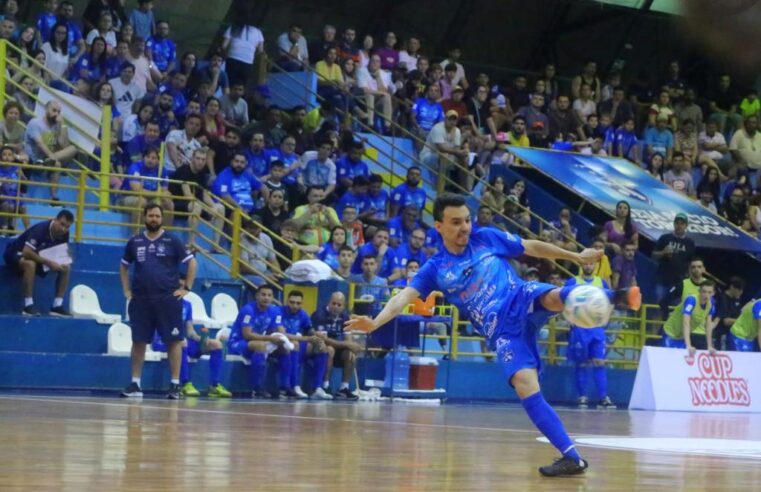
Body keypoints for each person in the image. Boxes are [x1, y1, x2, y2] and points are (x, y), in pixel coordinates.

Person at [346, 193, 642, 477]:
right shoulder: (435, 269)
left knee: (553, 296)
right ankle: (571, 458)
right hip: (500, 331)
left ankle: (616, 295)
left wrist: (575, 256)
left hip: (518, 297)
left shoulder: (486, 237)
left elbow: (531, 247)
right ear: (439, 226)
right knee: (526, 386)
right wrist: (376, 321)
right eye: (456, 222)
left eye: (466, 220)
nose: (464, 227)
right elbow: (403, 297)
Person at [119, 204, 197, 399]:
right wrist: (126, 290)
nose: (154, 218)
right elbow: (123, 267)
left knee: (174, 341)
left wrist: (186, 288)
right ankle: (135, 384)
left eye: (157, 216)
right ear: (144, 217)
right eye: (151, 215)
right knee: (138, 341)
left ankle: (175, 385)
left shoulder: (172, 240)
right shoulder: (135, 241)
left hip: (167, 300)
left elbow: (192, 263)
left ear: (162, 218)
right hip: (141, 301)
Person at [151, 296, 232, 397]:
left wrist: (202, 339)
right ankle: (185, 384)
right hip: (162, 341)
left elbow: (190, 330)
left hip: (181, 341)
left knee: (216, 345)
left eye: (182, 286)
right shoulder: (162, 303)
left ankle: (214, 385)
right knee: (182, 341)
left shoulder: (187, 305)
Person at [565, 262, 616, 409]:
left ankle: (603, 398)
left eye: (591, 263)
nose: (589, 266)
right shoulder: (573, 282)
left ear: (595, 265)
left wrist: (606, 318)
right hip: (580, 328)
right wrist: (570, 318)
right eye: (586, 263)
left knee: (600, 361)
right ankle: (582, 397)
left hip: (596, 328)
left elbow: (611, 300)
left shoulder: (602, 282)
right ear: (581, 264)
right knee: (582, 363)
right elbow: (563, 300)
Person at [2, 210, 74, 316]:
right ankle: (28, 306)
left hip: (38, 255)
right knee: (30, 264)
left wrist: (66, 257)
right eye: (62, 224)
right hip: (15, 252)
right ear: (55, 220)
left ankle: (57, 306)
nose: (63, 229)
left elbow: (62, 252)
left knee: (66, 267)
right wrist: (49, 263)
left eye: (67, 227)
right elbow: (26, 252)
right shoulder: (41, 229)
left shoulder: (64, 234)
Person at [227, 284, 289, 398]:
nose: (266, 298)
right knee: (261, 346)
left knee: (286, 349)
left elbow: (279, 329)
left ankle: (285, 387)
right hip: (238, 342)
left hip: (257, 342)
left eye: (269, 295)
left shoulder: (274, 311)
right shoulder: (248, 310)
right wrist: (270, 339)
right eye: (263, 294)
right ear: (257, 296)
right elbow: (247, 335)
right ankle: (256, 388)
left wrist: (284, 339)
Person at [278, 290, 333, 399]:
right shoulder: (278, 312)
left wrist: (317, 336)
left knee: (323, 348)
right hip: (283, 343)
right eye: (292, 302)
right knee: (295, 345)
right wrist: (307, 338)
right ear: (286, 301)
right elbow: (282, 335)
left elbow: (309, 330)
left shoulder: (303, 314)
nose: (295, 306)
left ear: (302, 304)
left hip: (299, 342)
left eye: (298, 303)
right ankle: (294, 386)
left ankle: (317, 388)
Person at [169, 148, 225, 248]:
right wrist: (207, 209)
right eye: (198, 158)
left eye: (203, 159)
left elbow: (204, 193)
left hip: (194, 203)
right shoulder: (184, 170)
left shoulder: (202, 173)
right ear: (192, 158)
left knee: (220, 208)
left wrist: (213, 206)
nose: (200, 162)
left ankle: (215, 245)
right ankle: (191, 242)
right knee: (196, 206)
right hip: (177, 202)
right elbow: (188, 196)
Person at [23, 101, 77, 202]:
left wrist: (63, 124)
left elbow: (64, 145)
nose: (56, 114)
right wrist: (51, 157)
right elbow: (40, 143)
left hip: (47, 160)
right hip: (34, 161)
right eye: (54, 110)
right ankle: (49, 160)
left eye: (58, 112)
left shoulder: (57, 126)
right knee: (55, 162)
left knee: (72, 150)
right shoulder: (35, 123)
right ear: (46, 109)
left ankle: (54, 197)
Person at [311, 291, 361, 399]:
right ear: (329, 303)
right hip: (320, 348)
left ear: (343, 306)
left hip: (338, 349)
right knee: (330, 349)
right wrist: (347, 344)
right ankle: (325, 386)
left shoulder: (345, 316)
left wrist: (351, 346)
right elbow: (324, 340)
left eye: (339, 305)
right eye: (333, 303)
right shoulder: (319, 314)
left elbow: (349, 340)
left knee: (350, 353)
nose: (335, 307)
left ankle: (344, 388)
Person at [661, 280, 718, 355]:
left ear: (713, 293)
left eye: (709, 292)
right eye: (704, 292)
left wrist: (709, 346)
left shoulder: (710, 305)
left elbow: (708, 326)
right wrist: (689, 345)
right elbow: (686, 323)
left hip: (681, 337)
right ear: (699, 291)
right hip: (670, 333)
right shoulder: (691, 300)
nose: (706, 295)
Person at [651, 213, 695, 304]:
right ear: (674, 224)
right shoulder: (665, 238)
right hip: (662, 279)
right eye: (677, 223)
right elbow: (653, 255)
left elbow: (691, 262)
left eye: (682, 224)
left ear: (686, 225)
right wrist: (663, 252)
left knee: (676, 308)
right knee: (659, 304)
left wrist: (689, 279)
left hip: (679, 282)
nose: (679, 226)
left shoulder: (689, 243)